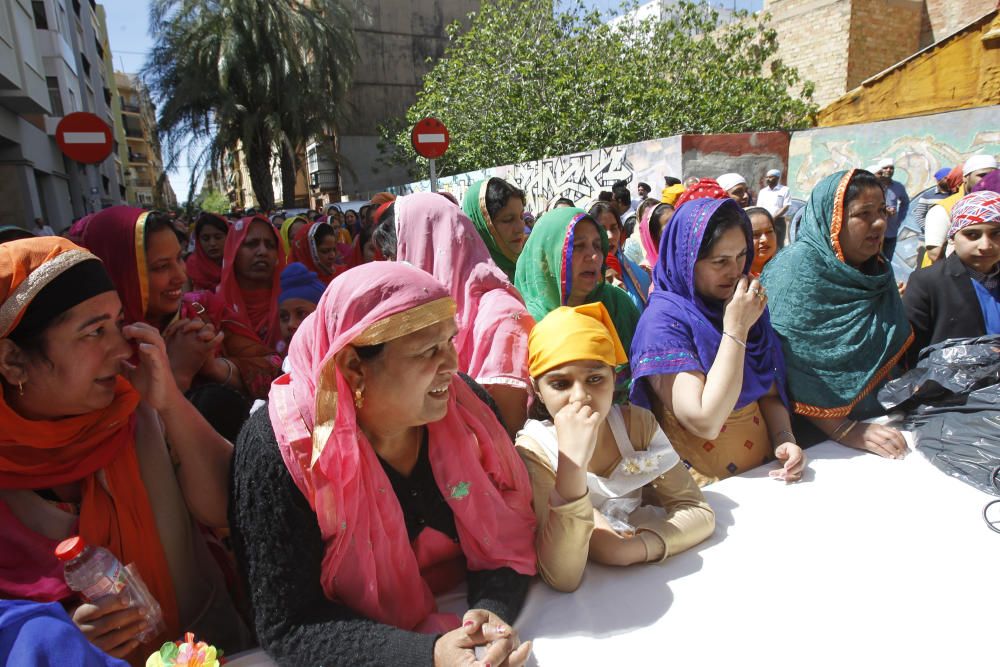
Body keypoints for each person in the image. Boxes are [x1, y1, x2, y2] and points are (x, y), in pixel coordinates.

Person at [230, 262, 536, 666]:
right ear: (355, 367)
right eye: (429, 351)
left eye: (450, 341)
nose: (452, 365)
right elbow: (289, 622)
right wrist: (427, 656)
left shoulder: (468, 410)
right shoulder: (284, 451)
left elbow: (510, 533)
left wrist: (488, 617)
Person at [0, 238, 251, 662]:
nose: (120, 350)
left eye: (118, 324)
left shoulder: (134, 414)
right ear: (11, 360)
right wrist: (63, 640)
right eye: (94, 332)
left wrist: (170, 401)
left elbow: (227, 505)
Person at [516, 303, 715, 592]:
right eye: (560, 384)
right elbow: (563, 576)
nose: (580, 397)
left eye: (595, 379)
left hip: (648, 580)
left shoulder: (637, 424)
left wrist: (632, 550)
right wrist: (571, 463)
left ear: (614, 378)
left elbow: (697, 510)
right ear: (538, 391)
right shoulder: (535, 449)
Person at [630, 198, 805, 486]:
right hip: (706, 490)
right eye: (720, 261)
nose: (735, 271)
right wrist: (735, 330)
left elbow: (769, 393)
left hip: (764, 475)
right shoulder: (662, 324)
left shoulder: (740, 305)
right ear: (686, 261)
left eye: (741, 256)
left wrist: (784, 439)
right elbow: (705, 421)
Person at [762, 170, 912, 456]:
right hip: (812, 441)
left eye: (882, 211)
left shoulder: (876, 270)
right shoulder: (796, 271)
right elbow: (787, 366)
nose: (879, 223)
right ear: (832, 219)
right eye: (863, 214)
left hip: (883, 422)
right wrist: (844, 429)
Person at [374, 193, 535, 438]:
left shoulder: (501, 319)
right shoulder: (420, 317)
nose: (391, 269)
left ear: (421, 248)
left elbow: (508, 435)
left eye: (394, 257)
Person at [515, 207, 642, 373]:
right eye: (578, 246)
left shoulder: (617, 304)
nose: (594, 256)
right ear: (547, 256)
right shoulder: (523, 321)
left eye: (597, 246)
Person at [903, 190, 1000, 359]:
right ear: (953, 237)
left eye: (996, 234)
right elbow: (908, 349)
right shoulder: (928, 282)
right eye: (972, 235)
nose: (985, 245)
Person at [213, 215, 285, 398]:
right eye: (251, 244)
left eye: (270, 245)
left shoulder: (293, 302)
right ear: (234, 251)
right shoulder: (214, 309)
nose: (262, 251)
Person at [924, 154, 998, 264]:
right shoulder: (944, 209)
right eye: (982, 175)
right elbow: (934, 254)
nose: (988, 180)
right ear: (965, 178)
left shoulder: (997, 205)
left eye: (993, 176)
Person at [462, 178, 528, 281]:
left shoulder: (532, 267)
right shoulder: (472, 282)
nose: (520, 228)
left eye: (522, 216)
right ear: (482, 225)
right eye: (508, 220)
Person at [589, 201, 650, 310]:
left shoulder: (632, 269)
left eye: (614, 228)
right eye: (602, 229)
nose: (610, 236)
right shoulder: (587, 278)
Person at [277, 262, 325, 352]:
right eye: (284, 317)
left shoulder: (342, 360)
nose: (290, 324)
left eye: (301, 314)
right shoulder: (285, 363)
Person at [874, 158, 909, 260]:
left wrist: (899, 219)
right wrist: (885, 210)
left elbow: (905, 203)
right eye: (885, 168)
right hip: (875, 231)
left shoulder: (898, 187)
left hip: (891, 231)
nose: (889, 170)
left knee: (887, 261)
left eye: (891, 168)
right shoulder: (873, 187)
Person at [904, 167, 956, 235]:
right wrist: (928, 229)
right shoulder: (928, 196)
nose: (949, 180)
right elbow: (919, 214)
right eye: (946, 178)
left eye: (951, 178)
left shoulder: (956, 195)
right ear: (938, 180)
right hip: (931, 237)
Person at [186, 212, 228, 292]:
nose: (212, 243)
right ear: (198, 241)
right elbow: (183, 300)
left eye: (218, 237)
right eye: (205, 239)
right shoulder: (191, 266)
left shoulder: (239, 263)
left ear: (228, 236)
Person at [637, 202, 676, 271]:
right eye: (670, 227)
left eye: (678, 222)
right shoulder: (648, 270)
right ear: (655, 238)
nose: (678, 229)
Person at [746, 206, 778, 277]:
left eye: (769, 231)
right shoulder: (734, 278)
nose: (765, 239)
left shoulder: (787, 269)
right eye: (755, 234)